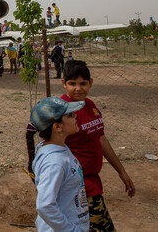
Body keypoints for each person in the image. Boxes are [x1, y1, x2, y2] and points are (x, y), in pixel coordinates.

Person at [60, 60, 135, 230]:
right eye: (72, 84)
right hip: (78, 188)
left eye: (83, 84)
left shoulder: (91, 106)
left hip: (93, 182)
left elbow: (101, 139)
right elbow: (51, 148)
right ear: (64, 84)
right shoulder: (62, 112)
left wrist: (122, 172)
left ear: (90, 83)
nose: (78, 88)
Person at [29, 97, 89, 231]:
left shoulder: (57, 148)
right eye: (70, 115)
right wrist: (70, 230)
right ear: (57, 127)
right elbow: (45, 205)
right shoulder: (55, 163)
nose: (76, 117)